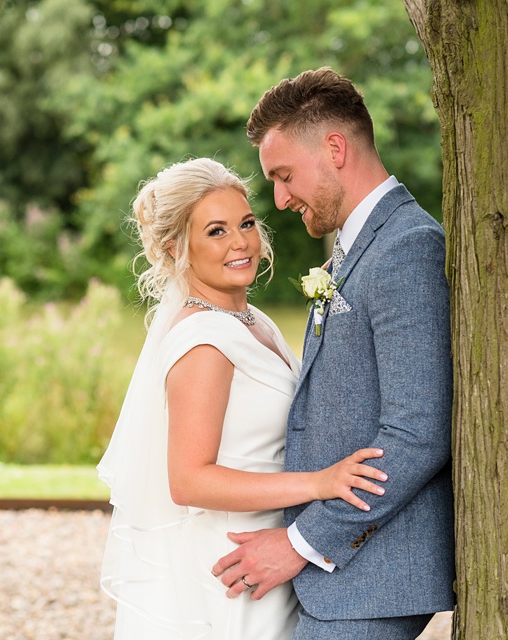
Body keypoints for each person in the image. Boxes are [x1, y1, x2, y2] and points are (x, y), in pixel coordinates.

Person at [98, 157, 390, 640]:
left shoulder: (251, 320)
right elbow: (190, 481)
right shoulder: (205, 342)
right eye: (216, 231)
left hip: (273, 548)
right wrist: (319, 483)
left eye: (247, 223)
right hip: (236, 560)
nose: (241, 243)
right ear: (176, 248)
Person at [211, 68, 455, 639]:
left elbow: (419, 430)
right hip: (344, 579)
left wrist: (301, 542)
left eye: (284, 174)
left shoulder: (407, 248)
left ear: (336, 148)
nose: (280, 197)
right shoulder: (358, 247)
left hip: (369, 576)